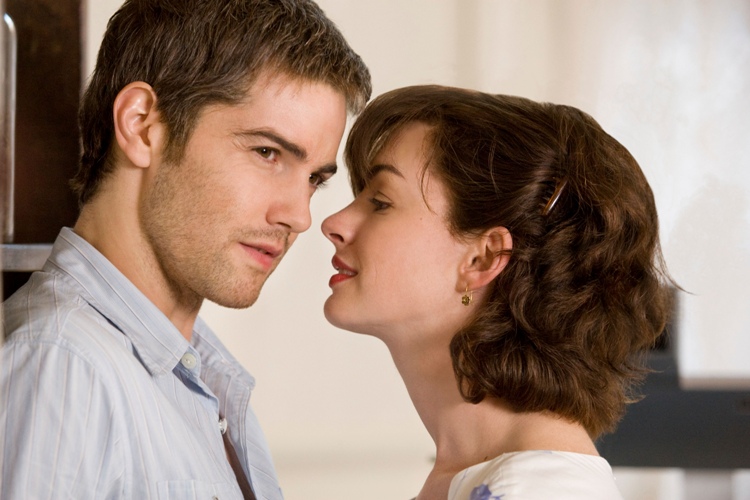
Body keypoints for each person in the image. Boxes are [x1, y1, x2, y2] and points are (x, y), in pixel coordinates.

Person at [0, 0, 370, 498]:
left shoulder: (201, 378)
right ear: (142, 125)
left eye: (313, 180)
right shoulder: (63, 368)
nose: (299, 217)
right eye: (267, 153)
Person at [322, 85, 672, 500]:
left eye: (380, 202)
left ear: (483, 259)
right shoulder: (484, 479)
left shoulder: (533, 490)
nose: (334, 222)